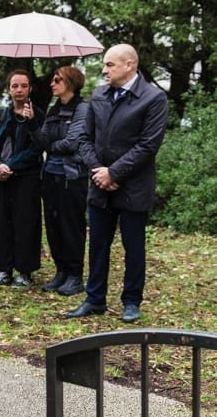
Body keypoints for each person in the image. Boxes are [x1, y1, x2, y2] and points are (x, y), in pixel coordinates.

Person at [67, 44, 169, 323]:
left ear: (129, 65)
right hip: (100, 184)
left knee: (133, 247)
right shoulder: (99, 94)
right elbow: (85, 139)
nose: (104, 70)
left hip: (133, 188)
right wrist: (99, 171)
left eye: (110, 64)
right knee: (98, 244)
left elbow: (148, 146)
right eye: (105, 65)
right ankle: (94, 298)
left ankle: (132, 301)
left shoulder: (153, 98)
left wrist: (114, 173)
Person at [26, 66, 89, 296]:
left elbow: (73, 142)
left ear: (70, 83)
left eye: (57, 80)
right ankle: (61, 270)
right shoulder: (53, 110)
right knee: (53, 226)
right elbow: (41, 140)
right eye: (53, 79)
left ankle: (75, 275)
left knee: (71, 225)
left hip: (72, 177)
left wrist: (51, 147)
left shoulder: (82, 109)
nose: (52, 83)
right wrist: (32, 123)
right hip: (50, 175)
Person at [0, 70, 45, 288]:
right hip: (0, 177)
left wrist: (12, 165)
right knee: (2, 222)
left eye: (23, 86)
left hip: (25, 179)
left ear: (30, 89)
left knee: (26, 223)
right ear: (9, 89)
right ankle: (5, 269)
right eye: (15, 86)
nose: (19, 90)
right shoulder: (0, 115)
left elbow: (36, 148)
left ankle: (25, 270)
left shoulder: (37, 115)